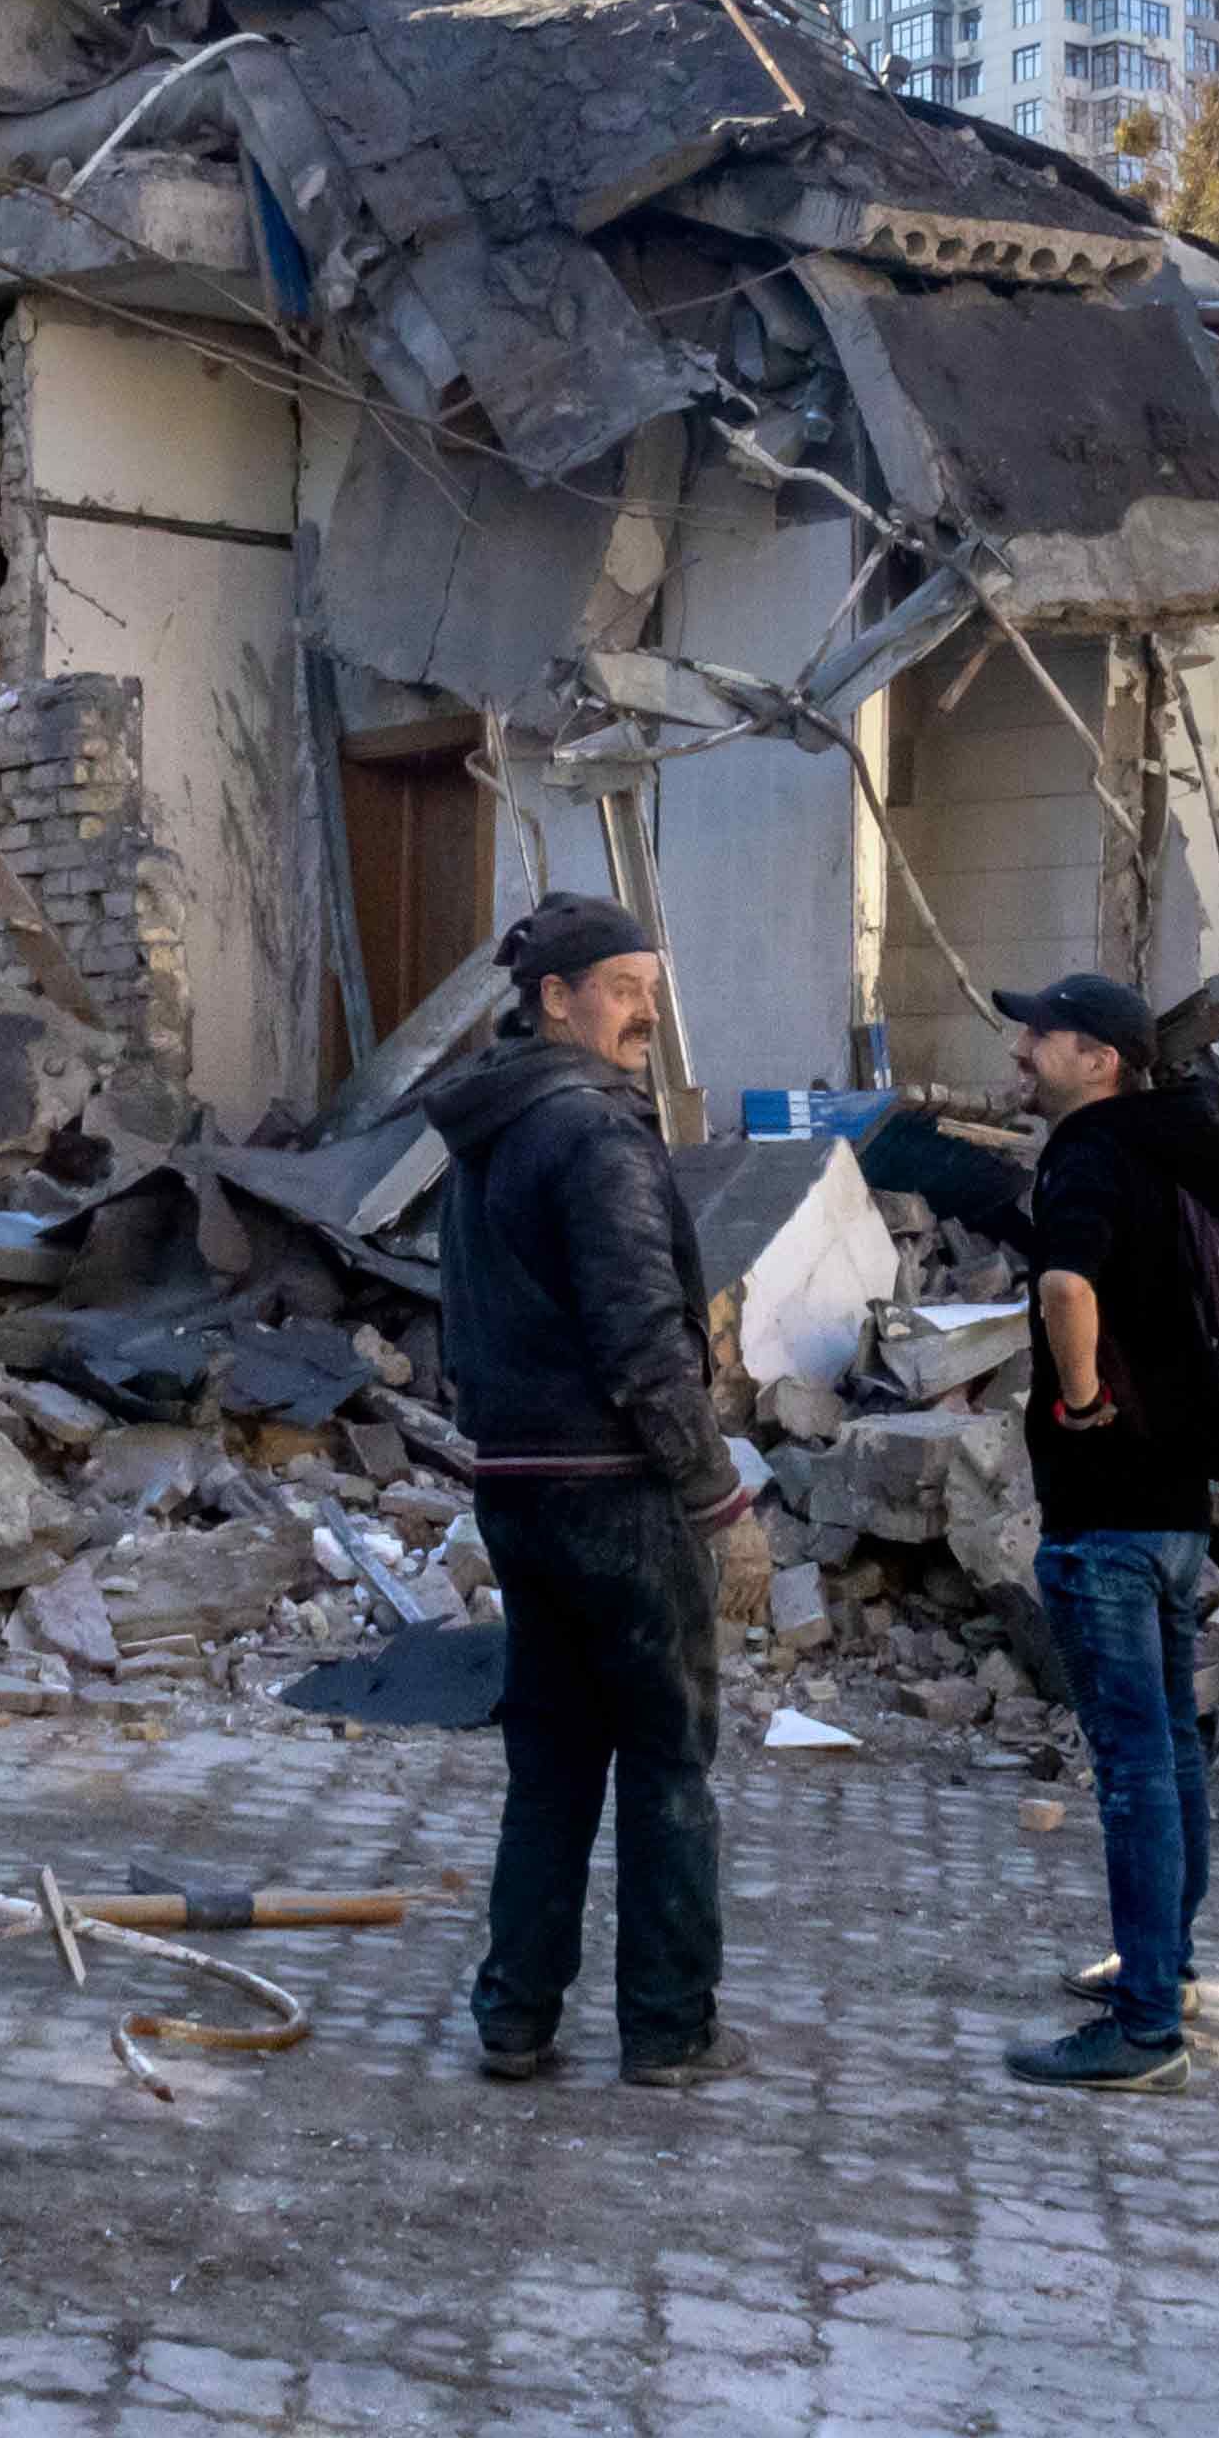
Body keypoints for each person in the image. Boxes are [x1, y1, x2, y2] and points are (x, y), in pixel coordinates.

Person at [419, 894, 775, 2092]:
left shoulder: (490, 1124)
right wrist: (722, 1506)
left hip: (516, 1488)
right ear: (555, 998)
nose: (643, 1019)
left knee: (555, 1761)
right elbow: (642, 1343)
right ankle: (672, 2030)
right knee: (669, 1757)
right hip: (615, 1492)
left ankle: (515, 2019)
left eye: (651, 997)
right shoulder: (592, 1132)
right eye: (624, 992)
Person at [988, 969, 1219, 2095]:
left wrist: (1085, 1402)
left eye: (1039, 1037)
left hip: (1105, 1511)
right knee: (1173, 1752)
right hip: (1181, 1504)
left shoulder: (1093, 1153)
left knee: (1136, 1766)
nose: (1022, 1052)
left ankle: (1146, 2026)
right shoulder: (1181, 1151)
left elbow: (1066, 1290)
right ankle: (1169, 1970)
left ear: (1098, 1059)